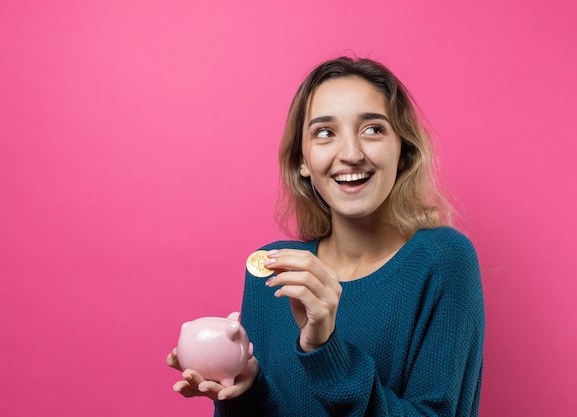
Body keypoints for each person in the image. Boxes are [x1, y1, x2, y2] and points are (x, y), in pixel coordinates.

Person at [167, 56, 485, 416]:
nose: (350, 154)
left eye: (373, 129)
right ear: (302, 161)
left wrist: (326, 349)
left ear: (403, 152)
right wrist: (245, 392)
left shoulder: (443, 259)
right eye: (324, 132)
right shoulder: (270, 270)